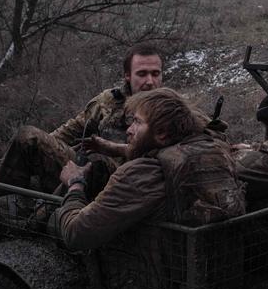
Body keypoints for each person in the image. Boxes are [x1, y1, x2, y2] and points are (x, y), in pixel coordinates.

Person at [55, 88, 244, 251]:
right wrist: (113, 148)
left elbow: (76, 235)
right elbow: (164, 152)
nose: (129, 129)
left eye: (137, 122)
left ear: (161, 133)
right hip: (212, 268)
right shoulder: (217, 149)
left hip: (155, 280)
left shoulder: (142, 173)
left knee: (57, 219)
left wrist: (75, 184)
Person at [0, 45, 164, 195]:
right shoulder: (109, 102)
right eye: (142, 74)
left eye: (155, 74)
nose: (150, 81)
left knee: (97, 164)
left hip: (128, 184)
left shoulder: (170, 111)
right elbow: (70, 131)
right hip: (90, 174)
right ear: (127, 75)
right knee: (29, 138)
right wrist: (43, 150)